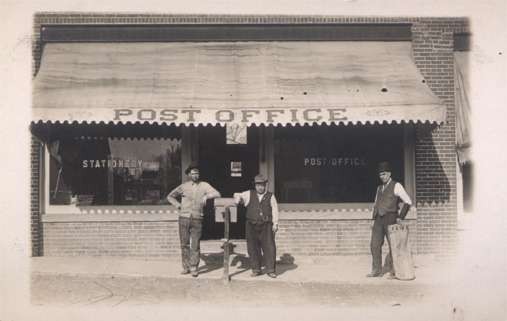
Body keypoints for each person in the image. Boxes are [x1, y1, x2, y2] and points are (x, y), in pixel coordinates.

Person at [167, 164, 221, 277]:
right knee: (184, 244)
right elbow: (170, 196)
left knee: (195, 244)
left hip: (197, 218)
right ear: (188, 175)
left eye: (197, 173)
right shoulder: (183, 186)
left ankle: (194, 267)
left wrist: (207, 196)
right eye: (193, 173)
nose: (195, 175)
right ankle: (186, 267)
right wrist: (178, 205)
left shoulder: (204, 185)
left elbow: (217, 193)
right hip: (184, 218)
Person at [367, 161, 412, 279]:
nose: (382, 176)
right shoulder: (379, 188)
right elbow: (376, 204)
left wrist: (400, 217)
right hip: (378, 220)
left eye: (384, 174)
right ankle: (376, 270)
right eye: (381, 174)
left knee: (394, 245)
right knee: (374, 245)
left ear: (389, 174)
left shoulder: (396, 185)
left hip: (391, 218)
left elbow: (408, 201)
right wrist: (373, 218)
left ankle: (395, 271)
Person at [233, 174, 279, 278]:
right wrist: (237, 199)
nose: (260, 187)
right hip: (251, 225)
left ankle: (271, 270)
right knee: (253, 247)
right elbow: (237, 194)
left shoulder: (270, 196)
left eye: (262, 185)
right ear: (255, 185)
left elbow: (275, 210)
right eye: (258, 185)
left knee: (269, 247)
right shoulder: (249, 194)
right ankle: (256, 269)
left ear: (265, 185)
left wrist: (275, 223)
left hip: (266, 225)